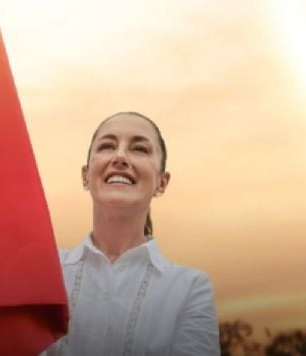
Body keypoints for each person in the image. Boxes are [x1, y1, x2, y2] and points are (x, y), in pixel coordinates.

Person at [42, 112, 219, 356]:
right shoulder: (45, 273)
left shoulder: (190, 289)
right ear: (85, 175)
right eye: (107, 146)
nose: (120, 156)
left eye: (139, 149)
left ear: (162, 182)